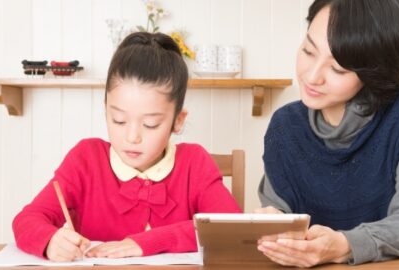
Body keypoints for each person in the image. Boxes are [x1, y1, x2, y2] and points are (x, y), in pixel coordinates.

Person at [255, 0, 399, 267]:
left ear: (374, 73)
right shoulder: (285, 126)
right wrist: (275, 226)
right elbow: (279, 213)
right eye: (308, 51)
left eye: (338, 68)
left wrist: (345, 244)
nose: (312, 76)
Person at [12, 32, 241, 262]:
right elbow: (27, 220)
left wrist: (146, 242)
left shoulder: (194, 162)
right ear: (106, 109)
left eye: (150, 124)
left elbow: (229, 229)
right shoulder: (86, 159)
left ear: (177, 121)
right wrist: (51, 240)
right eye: (119, 121)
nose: (132, 137)